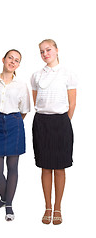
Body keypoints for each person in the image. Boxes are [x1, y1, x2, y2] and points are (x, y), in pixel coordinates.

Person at [31, 39, 77, 225]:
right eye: (41, 51)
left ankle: (58, 206)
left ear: (57, 50)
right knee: (45, 166)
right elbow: (36, 101)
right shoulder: (35, 75)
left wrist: (63, 122)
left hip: (61, 122)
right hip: (42, 121)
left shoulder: (68, 74)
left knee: (59, 167)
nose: (45, 54)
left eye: (48, 50)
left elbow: (72, 103)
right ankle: (47, 206)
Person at [0, 49, 31, 221]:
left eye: (16, 60)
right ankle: (4, 198)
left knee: (13, 168)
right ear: (3, 59)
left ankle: (8, 204)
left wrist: (12, 120)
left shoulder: (21, 85)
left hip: (14, 125)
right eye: (10, 58)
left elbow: (24, 110)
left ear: (18, 65)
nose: (12, 61)